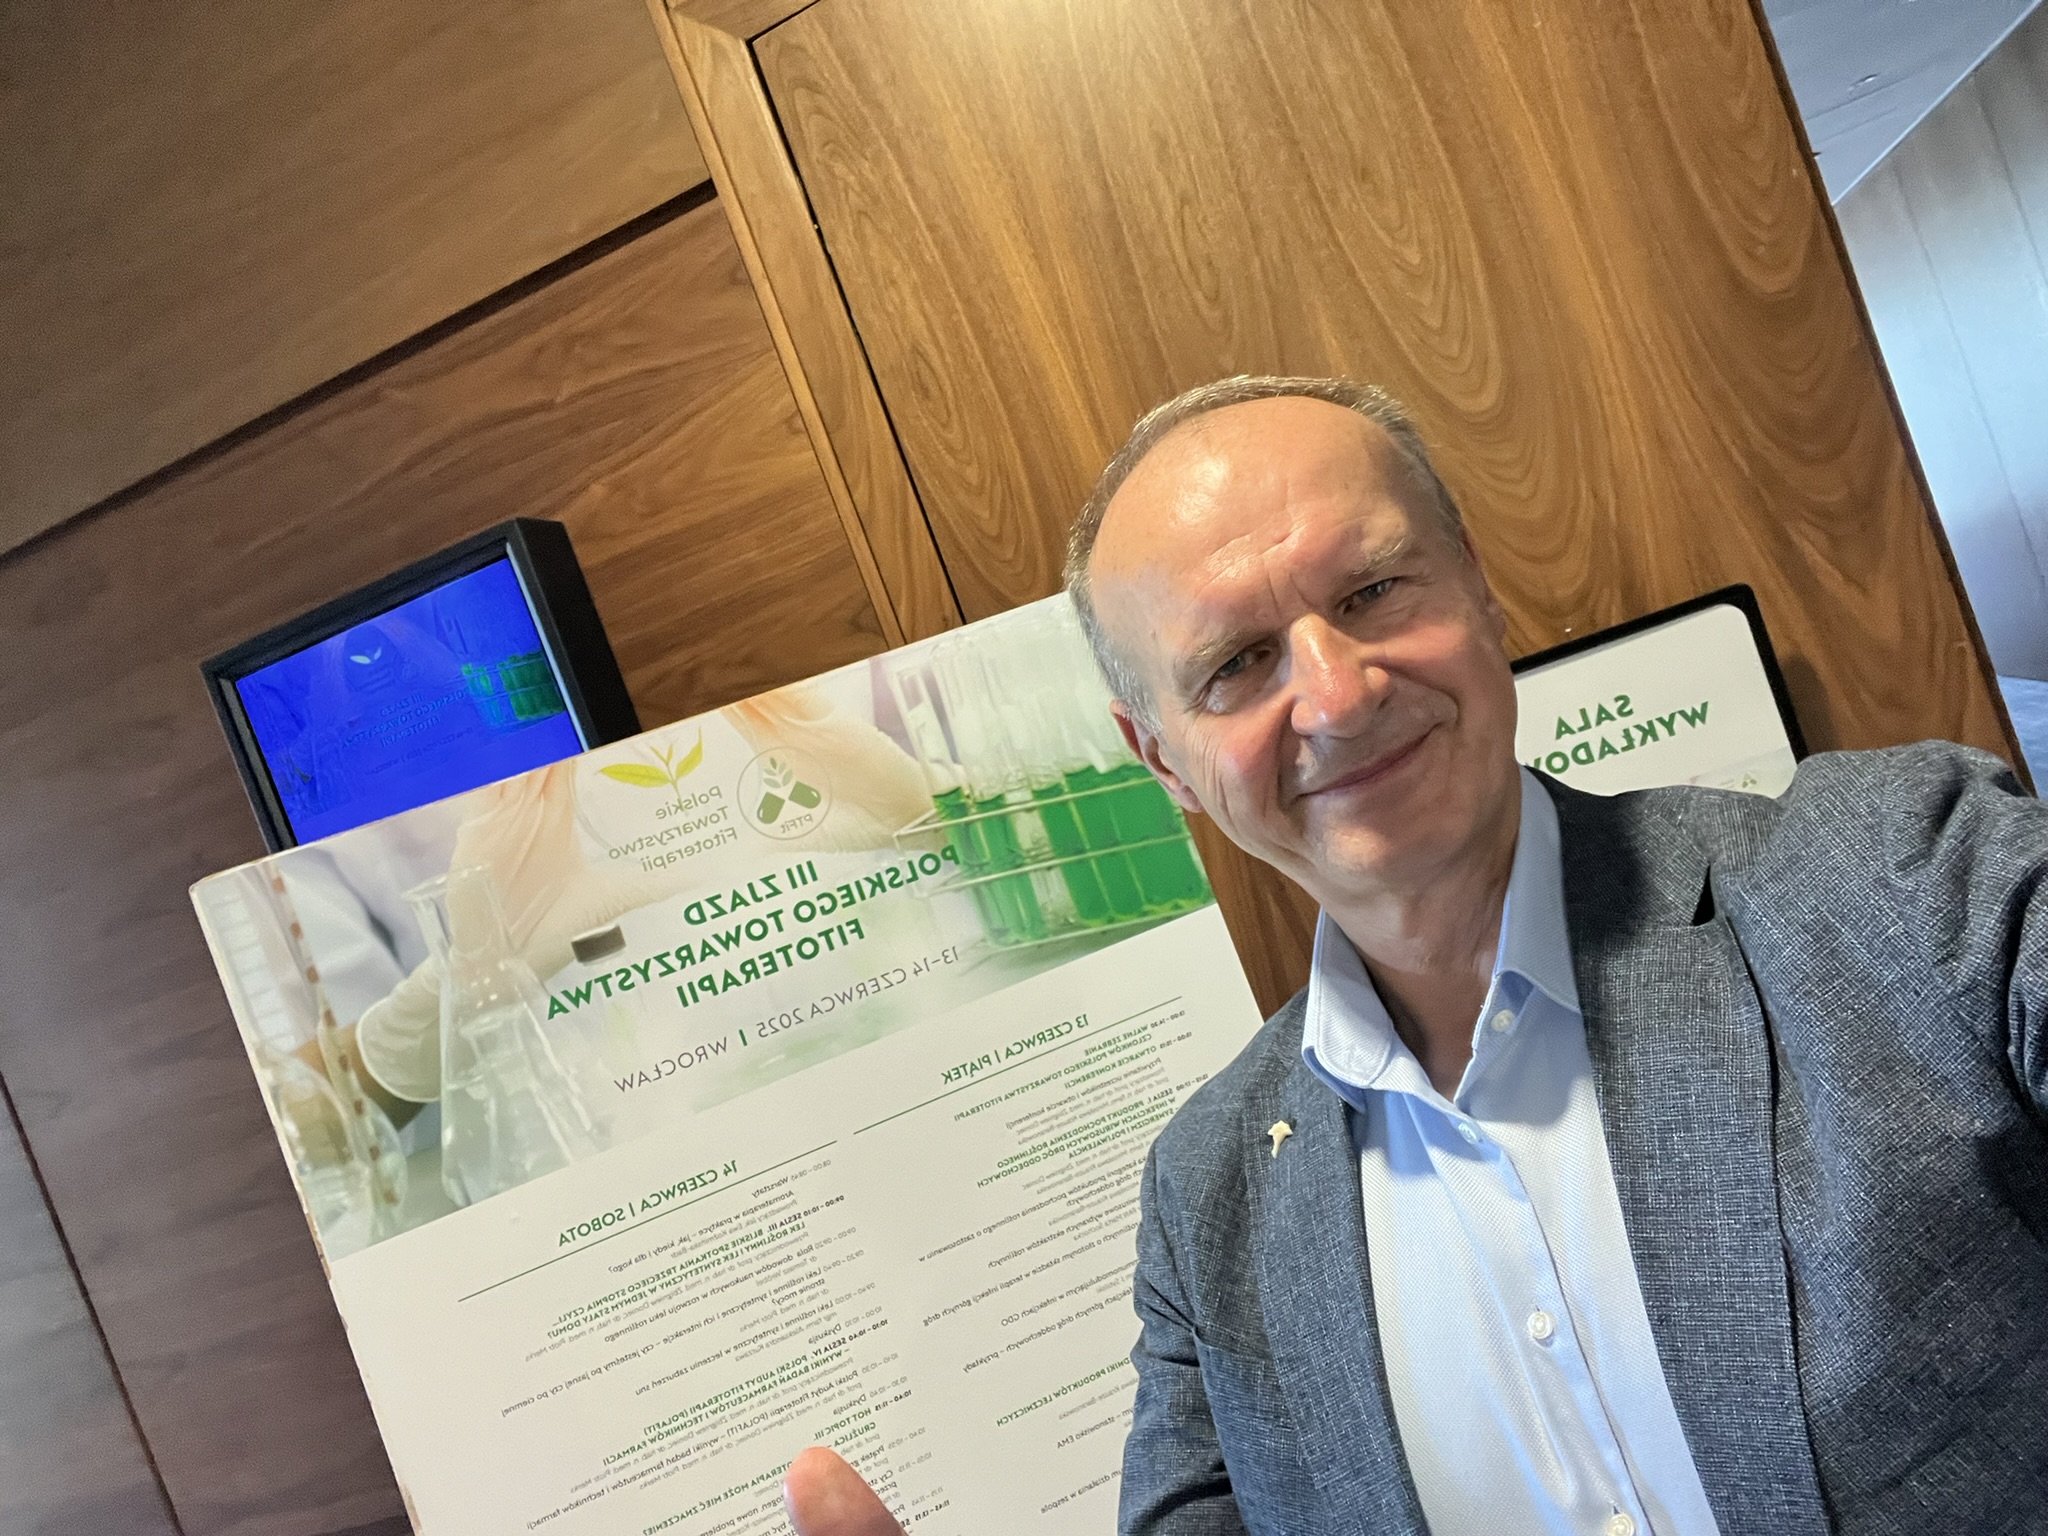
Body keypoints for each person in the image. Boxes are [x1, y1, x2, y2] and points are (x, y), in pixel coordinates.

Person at [783, 377, 2048, 1536]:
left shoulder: (1899, 876)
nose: (1335, 696)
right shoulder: (1205, 1198)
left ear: (1479, 587)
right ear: (1161, 759)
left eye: (1373, 592)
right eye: (1235, 664)